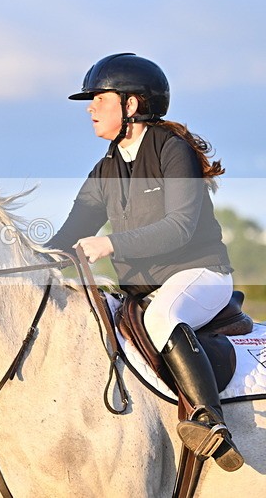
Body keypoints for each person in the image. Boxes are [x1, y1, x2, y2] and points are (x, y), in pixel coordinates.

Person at [46, 53, 244, 471]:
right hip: (143, 289)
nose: (90, 108)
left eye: (99, 98)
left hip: (200, 275)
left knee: (162, 317)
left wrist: (111, 245)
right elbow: (68, 235)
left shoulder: (173, 151)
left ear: (131, 104)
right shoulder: (105, 169)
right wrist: (25, 259)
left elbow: (180, 229)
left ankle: (211, 422)